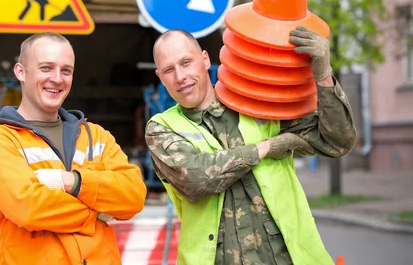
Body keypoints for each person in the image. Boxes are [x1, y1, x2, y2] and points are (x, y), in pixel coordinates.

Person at [145, 27, 357, 265]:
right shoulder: (162, 128)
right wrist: (265, 147)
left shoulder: (257, 104)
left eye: (186, 62)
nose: (180, 77)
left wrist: (323, 75)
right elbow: (195, 179)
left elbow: (337, 141)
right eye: (169, 70)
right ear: (160, 77)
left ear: (205, 59)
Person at [0, 32, 147, 265]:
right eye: (46, 68)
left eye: (66, 70)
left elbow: (134, 196)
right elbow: (30, 208)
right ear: (20, 72)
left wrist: (73, 182)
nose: (57, 78)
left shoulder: (95, 135)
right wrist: (96, 212)